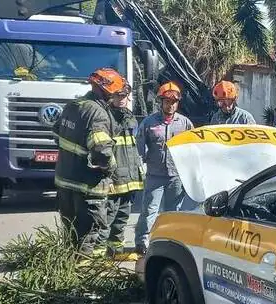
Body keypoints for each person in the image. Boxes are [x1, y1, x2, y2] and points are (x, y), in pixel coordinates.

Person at [53, 67, 125, 258]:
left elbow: (56, 134)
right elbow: (101, 152)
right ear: (107, 90)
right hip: (88, 186)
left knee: (71, 233)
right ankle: (83, 275)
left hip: (65, 182)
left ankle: (68, 268)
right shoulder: (98, 114)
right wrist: (111, 170)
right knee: (88, 235)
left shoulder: (72, 106)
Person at [134, 81, 194, 256]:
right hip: (155, 175)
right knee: (149, 210)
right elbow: (139, 147)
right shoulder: (149, 122)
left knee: (173, 212)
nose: (170, 104)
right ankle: (142, 242)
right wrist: (140, 167)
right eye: (167, 101)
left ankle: (170, 242)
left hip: (176, 176)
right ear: (161, 102)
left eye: (174, 102)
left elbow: (192, 148)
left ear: (178, 103)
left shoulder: (185, 124)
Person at [100, 79, 145, 261]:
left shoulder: (130, 117)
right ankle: (101, 253)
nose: (121, 99)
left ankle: (115, 250)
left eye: (124, 96)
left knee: (122, 217)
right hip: (114, 177)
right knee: (108, 216)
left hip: (130, 178)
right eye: (117, 96)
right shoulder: (106, 117)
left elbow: (133, 149)